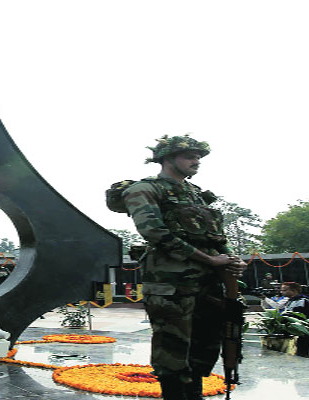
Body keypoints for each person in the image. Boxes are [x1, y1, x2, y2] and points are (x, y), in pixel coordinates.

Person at [122, 134, 246, 400]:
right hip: (172, 285)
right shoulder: (144, 189)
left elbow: (216, 237)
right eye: (190, 156)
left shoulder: (197, 195)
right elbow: (155, 233)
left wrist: (232, 260)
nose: (196, 161)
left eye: (199, 157)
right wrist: (211, 260)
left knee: (204, 348)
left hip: (208, 284)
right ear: (167, 158)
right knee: (172, 350)